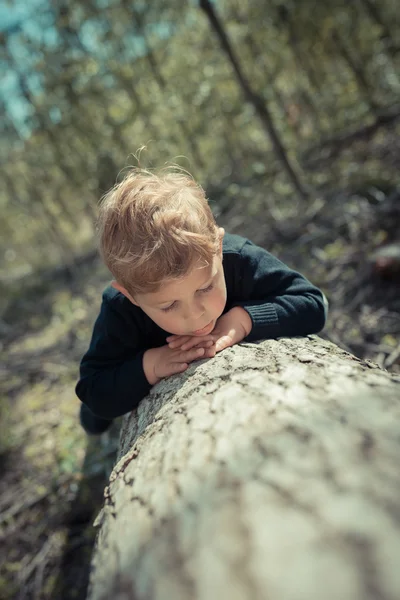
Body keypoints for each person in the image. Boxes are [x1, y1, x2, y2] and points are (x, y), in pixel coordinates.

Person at [76, 168, 327, 434]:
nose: (195, 315)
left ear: (217, 248)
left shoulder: (239, 258)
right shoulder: (120, 307)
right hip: (135, 351)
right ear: (131, 295)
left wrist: (242, 320)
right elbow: (93, 388)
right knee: (94, 420)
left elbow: (313, 303)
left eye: (205, 287)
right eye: (169, 305)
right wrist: (150, 365)